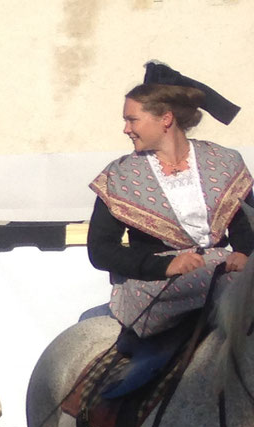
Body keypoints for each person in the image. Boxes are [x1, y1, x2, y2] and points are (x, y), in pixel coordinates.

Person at [86, 63, 252, 398]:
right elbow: (100, 250)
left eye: (132, 119)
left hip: (223, 272)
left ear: (165, 119)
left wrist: (244, 251)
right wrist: (165, 265)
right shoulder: (120, 176)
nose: (125, 129)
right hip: (154, 285)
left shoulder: (223, 162)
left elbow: (244, 221)